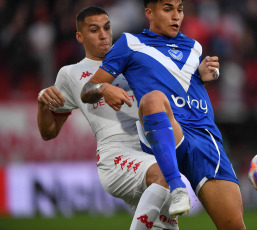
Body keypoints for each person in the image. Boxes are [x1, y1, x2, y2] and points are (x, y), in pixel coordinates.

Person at [80, 1, 246, 229]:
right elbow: (87, 91)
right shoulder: (130, 43)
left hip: (205, 138)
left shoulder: (194, 47)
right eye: (168, 9)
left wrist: (201, 77)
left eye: (180, 9)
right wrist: (103, 88)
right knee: (152, 98)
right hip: (164, 130)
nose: (176, 16)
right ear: (149, 13)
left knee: (234, 226)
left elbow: (181, 83)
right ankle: (177, 187)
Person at [37, 6, 181, 230]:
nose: (103, 35)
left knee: (164, 224)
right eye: (94, 30)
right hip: (116, 156)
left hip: (150, 149)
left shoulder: (133, 56)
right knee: (165, 173)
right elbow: (49, 132)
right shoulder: (71, 73)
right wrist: (42, 104)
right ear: (80, 36)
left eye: (106, 28)